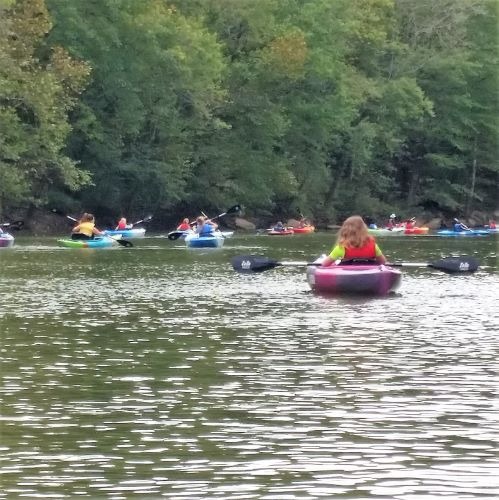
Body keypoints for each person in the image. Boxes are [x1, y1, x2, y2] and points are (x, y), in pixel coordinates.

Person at [321, 215, 386, 267]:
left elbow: (325, 264)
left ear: (345, 230)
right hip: (370, 276)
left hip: (346, 278)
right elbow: (383, 262)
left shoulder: (341, 247)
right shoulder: (373, 246)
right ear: (364, 229)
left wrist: (333, 264)